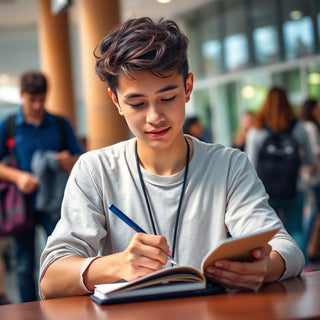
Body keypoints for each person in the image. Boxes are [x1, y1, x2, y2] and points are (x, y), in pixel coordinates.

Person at [39, 17, 304, 300]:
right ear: (115, 100)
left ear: (188, 88)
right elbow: (50, 279)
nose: (155, 117)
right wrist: (116, 264)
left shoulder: (228, 166)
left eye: (167, 98)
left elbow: (288, 249)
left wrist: (267, 267)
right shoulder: (96, 171)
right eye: (137, 103)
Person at [0, 71, 84, 302]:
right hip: (21, 204)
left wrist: (70, 160)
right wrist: (18, 177)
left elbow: (81, 157)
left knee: (60, 259)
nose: (37, 105)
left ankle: (63, 308)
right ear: (21, 95)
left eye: (41, 100)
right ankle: (28, 312)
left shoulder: (59, 123)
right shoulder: (7, 126)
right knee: (25, 264)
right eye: (32, 100)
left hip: (54, 203)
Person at [246, 87, 315, 260]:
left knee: (270, 234)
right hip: (294, 187)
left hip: (266, 191)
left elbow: (250, 164)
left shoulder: (257, 130)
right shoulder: (298, 128)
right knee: (296, 230)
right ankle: (302, 267)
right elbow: (310, 160)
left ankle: (273, 267)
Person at [299, 99, 320, 267]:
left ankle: (307, 256)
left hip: (305, 178)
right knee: (312, 214)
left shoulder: (301, 126)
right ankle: (307, 257)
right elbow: (312, 154)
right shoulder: (310, 127)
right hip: (313, 178)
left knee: (310, 214)